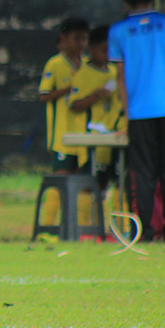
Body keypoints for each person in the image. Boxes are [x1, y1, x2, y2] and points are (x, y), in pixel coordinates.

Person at [108, 0, 165, 244]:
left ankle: (143, 234)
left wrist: (127, 111)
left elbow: (120, 76)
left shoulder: (118, 31)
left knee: (143, 175)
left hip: (139, 112)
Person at [37, 17, 89, 225]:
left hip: (84, 134)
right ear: (64, 39)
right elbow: (43, 95)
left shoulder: (88, 65)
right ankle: (48, 225)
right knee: (60, 178)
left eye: (85, 39)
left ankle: (82, 227)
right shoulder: (55, 63)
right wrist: (69, 89)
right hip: (62, 135)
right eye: (77, 39)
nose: (81, 44)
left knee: (83, 180)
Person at [68, 25, 122, 223]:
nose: (108, 55)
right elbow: (75, 105)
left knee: (111, 181)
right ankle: (84, 227)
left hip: (112, 137)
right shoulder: (84, 74)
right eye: (104, 50)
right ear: (91, 49)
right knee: (90, 183)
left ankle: (109, 228)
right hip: (91, 139)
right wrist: (97, 95)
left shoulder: (115, 71)